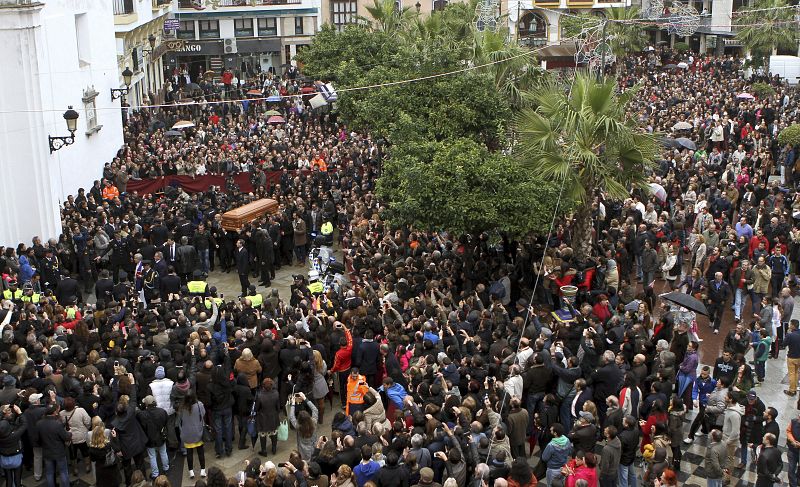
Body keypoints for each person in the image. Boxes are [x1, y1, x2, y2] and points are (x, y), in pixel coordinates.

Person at [177, 391, 206, 479]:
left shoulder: (182, 408)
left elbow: (180, 419)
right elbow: (203, 414)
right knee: (200, 452)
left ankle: (191, 472)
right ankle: (203, 471)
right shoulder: (199, 405)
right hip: (198, 432)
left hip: (187, 434)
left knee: (189, 453)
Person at [0, 404, 27, 487]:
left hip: (4, 459)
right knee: (17, 479)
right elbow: (24, 424)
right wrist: (20, 412)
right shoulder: (14, 435)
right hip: (16, 459)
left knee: (8, 479)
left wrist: (2, 412)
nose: (11, 413)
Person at [254, 378, 280, 456]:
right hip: (273, 417)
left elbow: (256, 408)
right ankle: (274, 448)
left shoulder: (259, 395)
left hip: (262, 419)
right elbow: (278, 407)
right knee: (274, 432)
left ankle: (264, 451)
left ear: (263, 386)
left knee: (263, 434)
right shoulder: (276, 393)